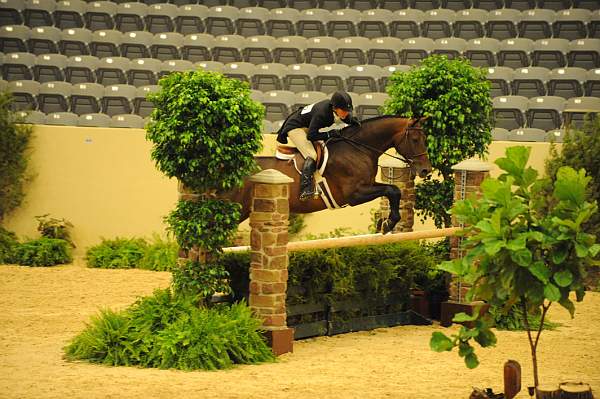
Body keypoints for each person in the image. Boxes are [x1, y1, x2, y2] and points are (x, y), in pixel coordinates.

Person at [276, 91, 360, 201]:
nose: (346, 113)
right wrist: (330, 134)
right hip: (295, 127)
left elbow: (344, 117)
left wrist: (352, 121)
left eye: (347, 111)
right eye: (344, 111)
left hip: (306, 126)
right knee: (312, 155)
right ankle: (305, 189)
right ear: (335, 108)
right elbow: (311, 135)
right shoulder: (322, 113)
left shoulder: (334, 109)